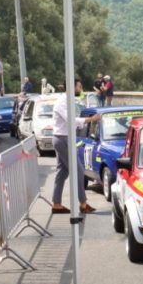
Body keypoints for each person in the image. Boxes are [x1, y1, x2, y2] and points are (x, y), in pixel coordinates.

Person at [51, 80, 101, 215]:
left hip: (64, 138)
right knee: (78, 171)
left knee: (62, 172)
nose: (81, 88)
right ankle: (83, 204)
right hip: (63, 139)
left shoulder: (68, 100)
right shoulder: (62, 101)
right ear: (73, 87)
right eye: (79, 86)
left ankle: (57, 204)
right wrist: (91, 119)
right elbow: (71, 120)